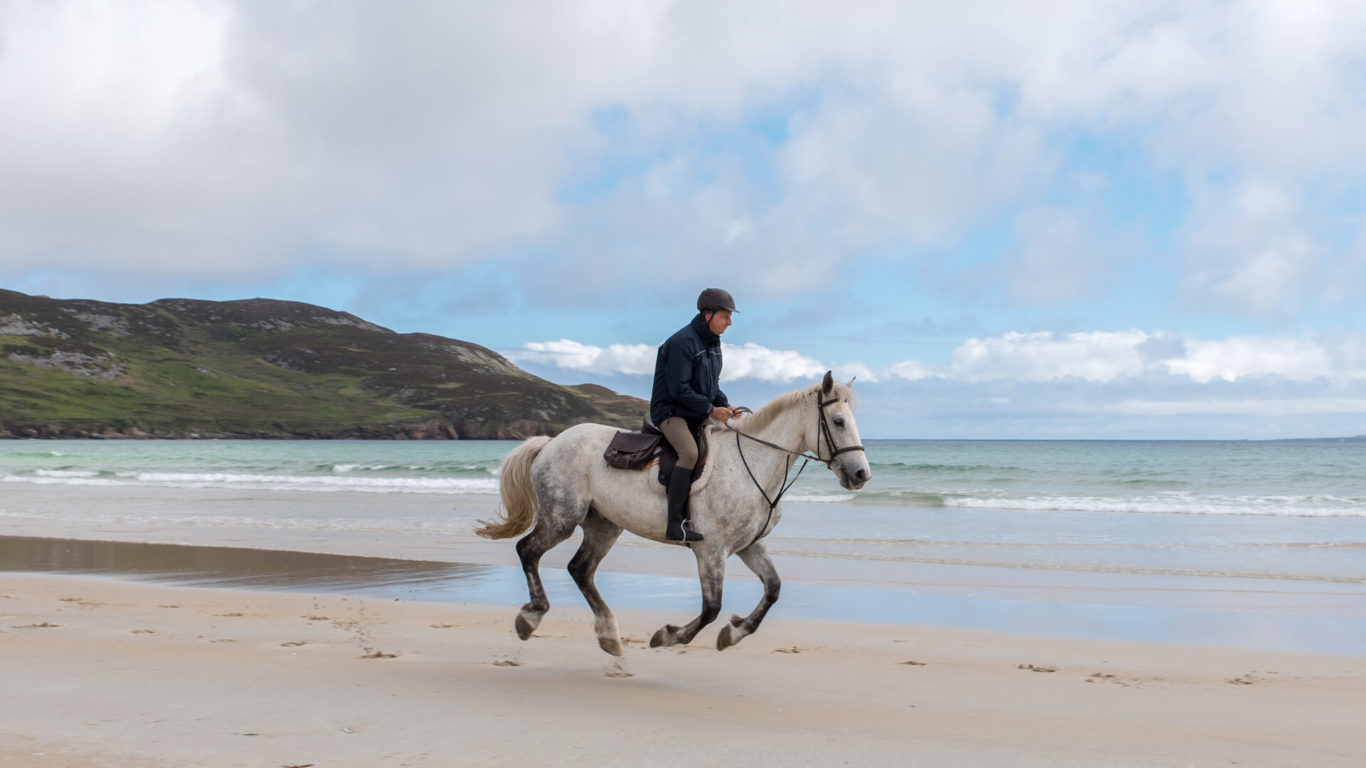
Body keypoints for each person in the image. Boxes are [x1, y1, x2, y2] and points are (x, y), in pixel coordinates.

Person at [649, 288, 739, 543]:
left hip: (694, 410)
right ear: (707, 315)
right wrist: (711, 410)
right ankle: (674, 525)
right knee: (689, 452)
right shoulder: (682, 343)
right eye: (725, 316)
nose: (729, 322)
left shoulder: (713, 345)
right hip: (671, 411)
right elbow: (679, 390)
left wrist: (726, 406)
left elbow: (712, 387)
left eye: (730, 317)